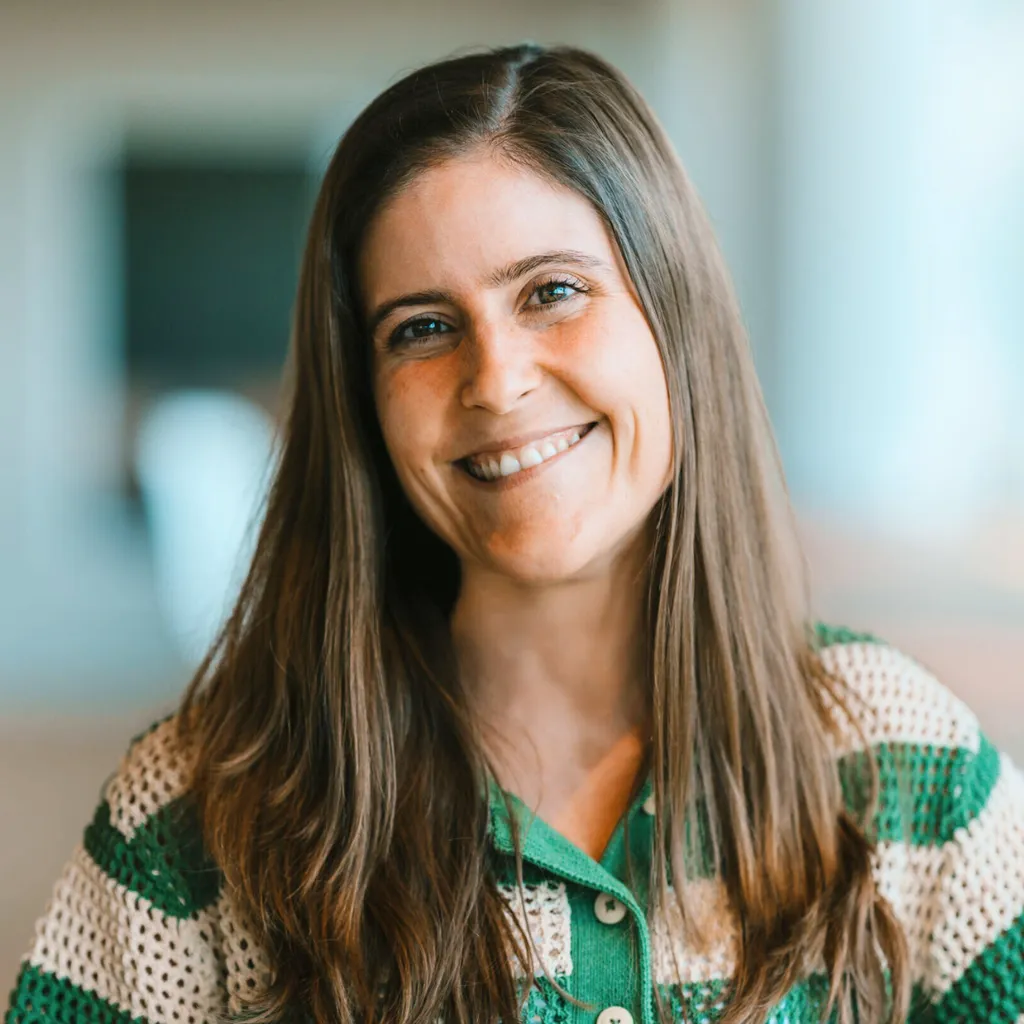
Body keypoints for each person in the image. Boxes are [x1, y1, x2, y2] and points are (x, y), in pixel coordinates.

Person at [5, 43, 1023, 1024]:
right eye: (423, 327)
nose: (496, 381)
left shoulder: (899, 758)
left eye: (554, 292)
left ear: (675, 320)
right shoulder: (201, 807)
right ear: (363, 400)